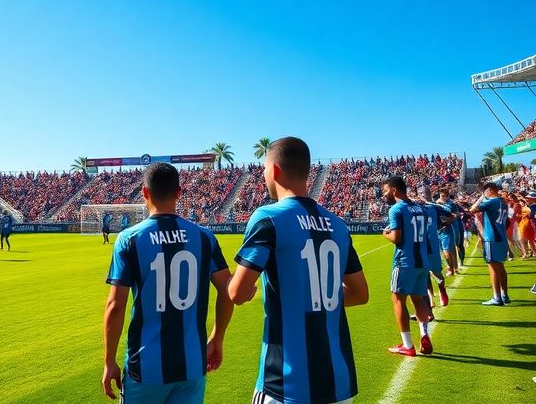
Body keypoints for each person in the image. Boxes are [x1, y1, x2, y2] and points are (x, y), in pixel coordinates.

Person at [228, 137, 368, 404]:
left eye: (265, 169)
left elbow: (237, 292)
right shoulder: (337, 224)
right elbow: (360, 294)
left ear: (275, 171)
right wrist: (316, 300)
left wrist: (293, 300)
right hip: (338, 380)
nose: (263, 175)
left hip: (284, 382)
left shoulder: (267, 217)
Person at [102, 163, 233, 403]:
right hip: (192, 365)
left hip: (146, 368)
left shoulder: (129, 239)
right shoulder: (204, 237)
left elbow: (115, 306)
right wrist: (217, 338)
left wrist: (109, 361)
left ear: (144, 193)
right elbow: (228, 290)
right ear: (179, 193)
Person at [381, 177, 436, 357]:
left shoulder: (396, 209)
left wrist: (385, 234)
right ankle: (424, 334)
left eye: (386, 191)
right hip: (422, 261)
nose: (384, 194)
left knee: (397, 299)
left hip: (405, 261)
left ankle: (407, 345)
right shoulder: (420, 208)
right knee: (418, 299)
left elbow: (397, 237)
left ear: (395, 190)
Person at [470, 182, 510, 306]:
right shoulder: (503, 202)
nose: (485, 193)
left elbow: (472, 209)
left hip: (492, 236)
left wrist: (481, 198)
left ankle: (496, 297)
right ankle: (504, 294)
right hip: (501, 236)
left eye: (486, 191)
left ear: (491, 190)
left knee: (492, 266)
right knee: (500, 266)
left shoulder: (492, 201)